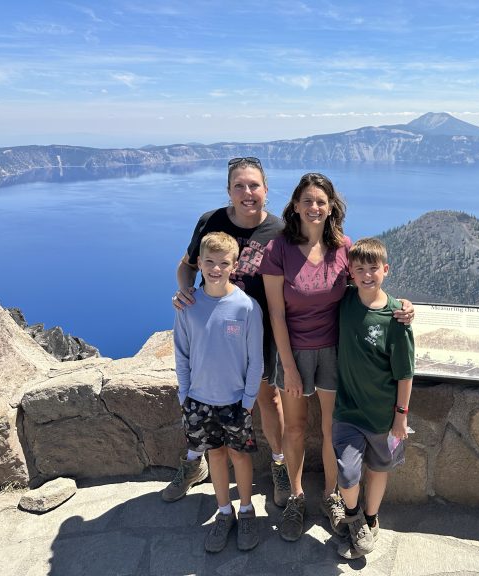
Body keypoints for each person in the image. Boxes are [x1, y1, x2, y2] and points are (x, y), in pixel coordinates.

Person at [260, 173, 414, 543]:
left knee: (332, 430)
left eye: (321, 201)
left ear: (331, 207)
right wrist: (290, 368)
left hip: (334, 352)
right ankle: (297, 497)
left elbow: (368, 283)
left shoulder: (342, 247)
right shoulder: (278, 249)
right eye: (307, 201)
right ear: (295, 205)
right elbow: (276, 314)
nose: (314, 208)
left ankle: (331, 496)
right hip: (293, 350)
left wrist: (402, 307)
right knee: (295, 428)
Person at [163, 157, 289, 508]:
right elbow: (187, 265)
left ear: (266, 189)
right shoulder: (211, 221)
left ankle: (279, 465)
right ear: (228, 190)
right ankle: (194, 462)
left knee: (268, 397)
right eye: (239, 186)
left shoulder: (279, 232)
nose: (247, 193)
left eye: (254, 186)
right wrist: (185, 290)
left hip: (256, 330)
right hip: (212, 328)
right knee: (203, 395)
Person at [173, 232, 263, 553]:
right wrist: (185, 395)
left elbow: (255, 361)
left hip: (236, 401)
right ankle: (224, 513)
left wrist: (249, 401)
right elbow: (181, 353)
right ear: (199, 263)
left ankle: (247, 510)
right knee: (216, 455)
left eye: (223, 263)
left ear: (234, 265)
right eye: (209, 262)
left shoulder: (247, 308)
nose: (215, 268)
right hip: (199, 401)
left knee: (239, 455)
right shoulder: (188, 306)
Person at [332, 237, 414, 559]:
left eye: (373, 268)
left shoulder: (396, 319)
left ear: (386, 269)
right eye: (359, 269)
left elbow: (405, 374)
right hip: (348, 412)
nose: (367, 275)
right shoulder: (347, 300)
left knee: (380, 469)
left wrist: (401, 417)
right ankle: (353, 519)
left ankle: (370, 518)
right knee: (348, 474)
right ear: (350, 273)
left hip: (383, 416)